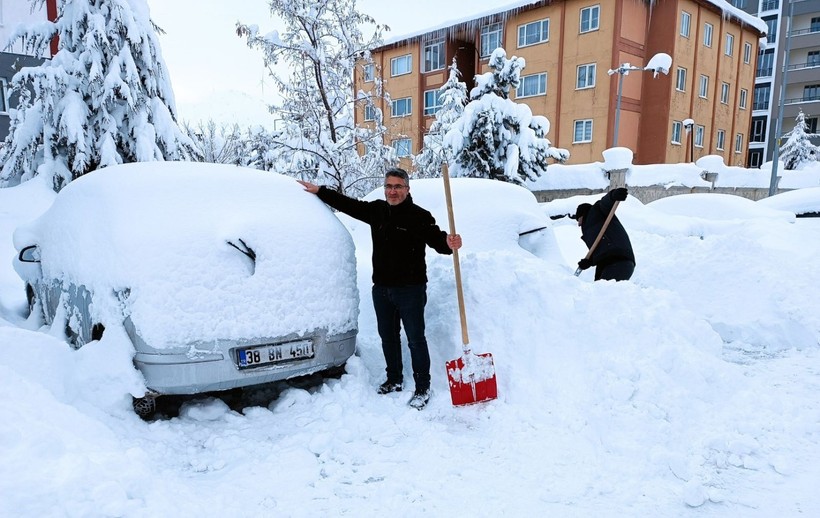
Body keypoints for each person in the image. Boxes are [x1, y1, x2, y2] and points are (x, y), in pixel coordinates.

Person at [297, 168, 462, 410]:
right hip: (382, 289)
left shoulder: (419, 216)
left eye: (397, 187)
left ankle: (422, 387)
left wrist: (449, 243)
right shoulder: (377, 211)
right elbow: (348, 205)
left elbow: (439, 243)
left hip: (411, 290)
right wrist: (321, 191)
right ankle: (394, 379)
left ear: (407, 189)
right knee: (389, 338)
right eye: (389, 186)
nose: (392, 191)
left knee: (416, 339)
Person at [573, 187, 635, 281]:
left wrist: (613, 195)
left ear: (581, 214)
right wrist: (588, 262)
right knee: (598, 291)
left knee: (603, 293)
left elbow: (605, 203)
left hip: (618, 259)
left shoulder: (596, 210)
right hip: (607, 263)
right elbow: (599, 248)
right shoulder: (589, 230)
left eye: (578, 219)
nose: (578, 224)